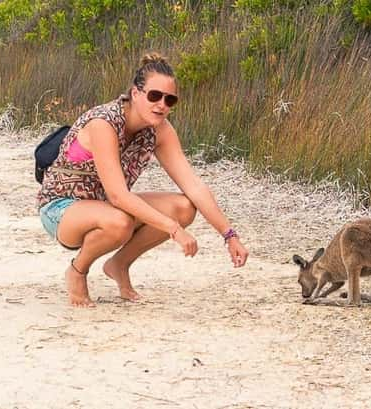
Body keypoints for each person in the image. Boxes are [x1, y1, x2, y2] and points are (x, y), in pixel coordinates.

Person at [37, 52, 249, 307]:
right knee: (120, 221)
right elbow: (118, 195)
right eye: (154, 96)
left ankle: (119, 264)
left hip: (106, 205)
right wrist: (173, 229)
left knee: (183, 207)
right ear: (135, 94)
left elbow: (194, 186)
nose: (162, 105)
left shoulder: (160, 130)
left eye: (170, 100)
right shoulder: (104, 123)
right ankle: (78, 270)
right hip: (62, 208)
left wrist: (229, 235)